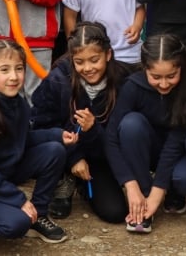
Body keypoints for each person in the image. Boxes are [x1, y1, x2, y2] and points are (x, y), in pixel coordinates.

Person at [0, 39, 77, 247]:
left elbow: (23, 140)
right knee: (15, 225)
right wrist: (19, 199)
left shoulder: (18, 103)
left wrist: (57, 135)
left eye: (19, 69)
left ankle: (38, 214)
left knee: (55, 150)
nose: (14, 77)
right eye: (4, 70)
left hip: (6, 172)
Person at [106, 34, 186, 233]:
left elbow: (175, 143)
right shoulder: (132, 87)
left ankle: (172, 191)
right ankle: (143, 198)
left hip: (179, 152)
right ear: (144, 68)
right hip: (146, 149)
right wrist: (131, 185)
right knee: (130, 124)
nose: (163, 84)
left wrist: (158, 190)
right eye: (156, 77)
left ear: (181, 67)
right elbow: (110, 138)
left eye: (171, 76)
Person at [31, 21, 131, 222]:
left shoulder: (123, 81)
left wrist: (93, 129)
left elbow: (117, 139)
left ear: (108, 55)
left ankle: (84, 185)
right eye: (79, 62)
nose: (87, 68)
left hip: (102, 155)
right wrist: (73, 157)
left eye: (94, 60)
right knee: (53, 147)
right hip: (64, 152)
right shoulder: (57, 80)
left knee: (115, 212)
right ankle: (63, 179)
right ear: (71, 58)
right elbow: (40, 125)